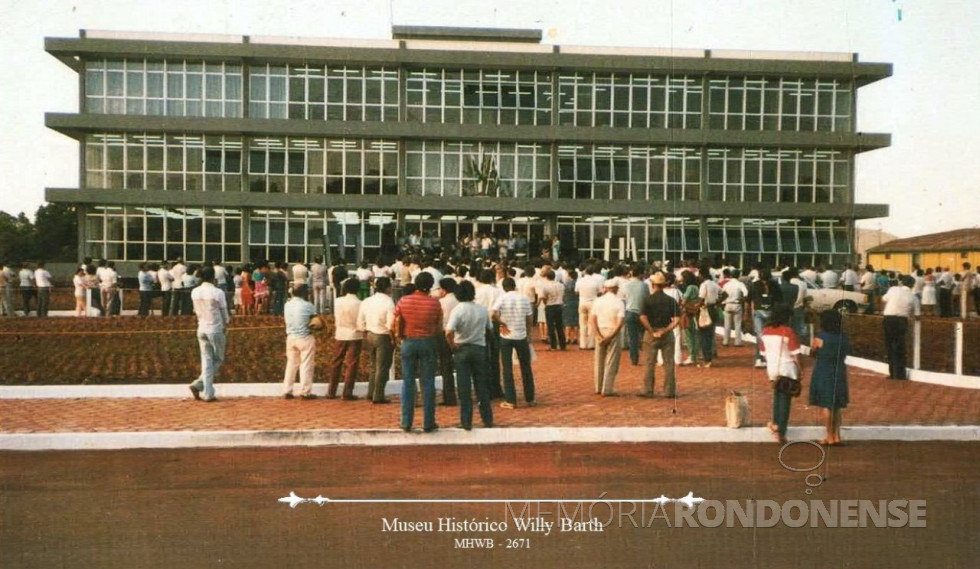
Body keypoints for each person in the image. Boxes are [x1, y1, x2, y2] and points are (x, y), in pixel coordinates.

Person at [395, 272, 443, 432]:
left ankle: (406, 421)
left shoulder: (404, 301)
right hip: (428, 341)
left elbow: (397, 321)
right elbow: (438, 327)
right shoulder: (435, 303)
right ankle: (428, 422)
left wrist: (400, 336)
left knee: (408, 381)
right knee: (428, 382)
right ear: (430, 285)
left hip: (408, 341)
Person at [445, 280, 494, 430]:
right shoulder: (482, 310)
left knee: (464, 387)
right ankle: (487, 419)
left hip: (462, 348)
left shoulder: (458, 310)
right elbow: (489, 329)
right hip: (479, 347)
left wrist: (453, 346)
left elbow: (449, 331)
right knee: (482, 385)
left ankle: (466, 421)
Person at [759, 306, 803, 444]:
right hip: (787, 368)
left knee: (777, 398)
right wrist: (800, 370)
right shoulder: (788, 331)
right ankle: (781, 431)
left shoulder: (765, 331)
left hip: (772, 368)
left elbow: (763, 354)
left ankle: (775, 424)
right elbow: (796, 354)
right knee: (785, 401)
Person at [492, 277, 536, 409]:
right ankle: (530, 398)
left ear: (504, 287)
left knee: (507, 368)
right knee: (526, 367)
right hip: (521, 336)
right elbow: (529, 318)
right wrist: (529, 333)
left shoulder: (502, 298)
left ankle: (511, 400)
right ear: (514, 286)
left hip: (506, 336)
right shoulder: (524, 298)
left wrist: (502, 323)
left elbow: (493, 313)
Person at [188, 267, 230, 402]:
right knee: (218, 359)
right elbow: (225, 314)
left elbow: (195, 310)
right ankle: (202, 387)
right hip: (215, 329)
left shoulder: (195, 292)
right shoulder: (218, 292)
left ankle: (205, 389)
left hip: (201, 328)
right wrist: (226, 324)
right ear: (213, 277)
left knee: (206, 360)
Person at [809, 310, 850, 446]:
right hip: (839, 370)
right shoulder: (844, 337)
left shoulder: (820, 337)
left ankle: (829, 436)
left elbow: (812, 352)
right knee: (836, 406)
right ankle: (837, 436)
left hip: (824, 370)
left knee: (827, 405)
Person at [639, 271, 680, 398]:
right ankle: (669, 391)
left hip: (651, 333)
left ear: (653, 284)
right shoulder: (671, 300)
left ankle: (648, 390)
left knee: (649, 363)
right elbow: (677, 319)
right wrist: (665, 330)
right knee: (669, 363)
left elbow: (642, 317)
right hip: (666, 333)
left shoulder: (647, 299)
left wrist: (651, 331)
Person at [357, 276, 396, 403]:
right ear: (387, 288)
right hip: (383, 335)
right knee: (382, 367)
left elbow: (360, 322)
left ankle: (371, 392)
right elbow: (390, 325)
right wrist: (393, 339)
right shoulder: (389, 302)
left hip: (369, 334)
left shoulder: (367, 301)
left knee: (373, 366)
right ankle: (378, 395)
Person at [327, 278, 363, 400]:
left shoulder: (338, 301)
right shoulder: (360, 303)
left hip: (340, 333)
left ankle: (331, 391)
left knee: (336, 362)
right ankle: (347, 392)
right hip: (355, 334)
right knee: (351, 364)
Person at [590, 279, 626, 396]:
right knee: (611, 361)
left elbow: (592, 319)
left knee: (599, 360)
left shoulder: (598, 301)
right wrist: (610, 336)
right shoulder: (619, 302)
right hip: (612, 331)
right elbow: (620, 322)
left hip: (600, 330)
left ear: (605, 288)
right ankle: (607, 388)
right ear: (616, 289)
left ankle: (598, 387)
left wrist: (598, 335)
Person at [282, 284, 318, 400]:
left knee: (291, 364)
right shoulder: (308, 305)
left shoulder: (287, 305)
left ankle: (287, 390)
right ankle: (305, 392)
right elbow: (315, 320)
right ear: (304, 293)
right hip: (305, 337)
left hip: (291, 337)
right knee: (306, 365)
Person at [881, 275, 920, 380]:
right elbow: (917, 315)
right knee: (900, 347)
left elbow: (883, 299)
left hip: (888, 319)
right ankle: (900, 374)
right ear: (912, 285)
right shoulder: (914, 297)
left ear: (901, 283)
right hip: (902, 321)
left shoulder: (893, 289)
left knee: (889, 345)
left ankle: (892, 373)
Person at [435, 277, 459, 405]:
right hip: (459, 335)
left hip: (444, 334)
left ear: (444, 290)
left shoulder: (441, 302)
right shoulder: (459, 301)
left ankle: (449, 397)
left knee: (446, 367)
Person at [622, 267, 647, 366]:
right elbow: (647, 297)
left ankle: (634, 359)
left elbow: (624, 298)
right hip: (642, 312)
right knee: (644, 336)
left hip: (630, 311)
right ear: (640, 274)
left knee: (632, 337)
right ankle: (648, 356)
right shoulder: (644, 285)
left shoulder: (626, 285)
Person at [720, 269, 748, 347]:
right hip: (737, 304)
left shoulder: (726, 284)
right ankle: (737, 342)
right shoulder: (740, 284)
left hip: (728, 304)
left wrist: (722, 303)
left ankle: (725, 341)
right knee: (737, 324)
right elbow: (746, 293)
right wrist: (742, 300)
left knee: (727, 324)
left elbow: (723, 294)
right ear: (738, 276)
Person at [540, 269, 566, 351]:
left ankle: (553, 345)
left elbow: (544, 298)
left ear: (546, 277)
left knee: (550, 326)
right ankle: (562, 345)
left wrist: (546, 303)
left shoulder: (545, 286)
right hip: (559, 306)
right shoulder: (561, 285)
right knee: (559, 326)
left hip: (550, 306)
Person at [562, 268, 580, 347]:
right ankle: (575, 337)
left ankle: (567, 337)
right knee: (576, 321)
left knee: (568, 322)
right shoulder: (578, 283)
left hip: (568, 303)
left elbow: (563, 294)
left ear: (569, 276)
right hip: (576, 303)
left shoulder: (566, 284)